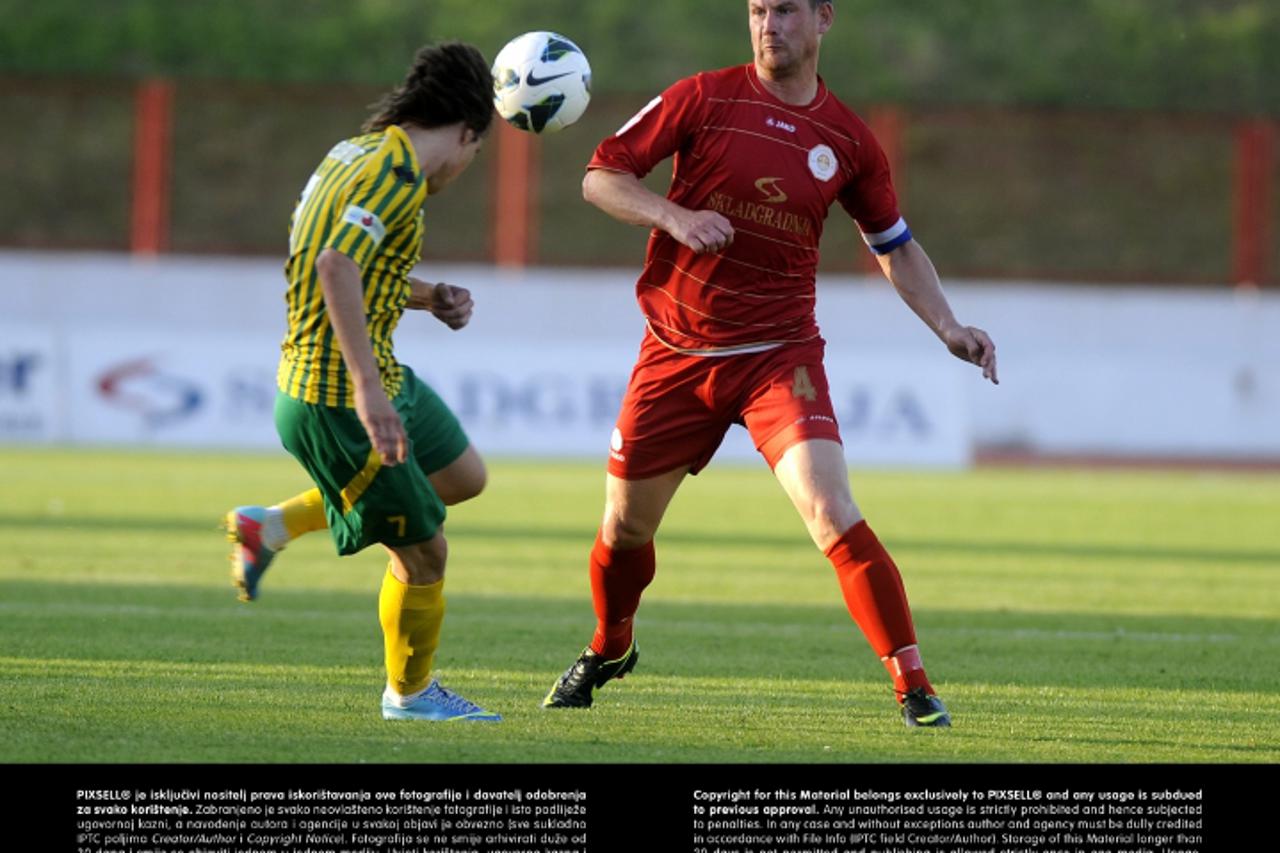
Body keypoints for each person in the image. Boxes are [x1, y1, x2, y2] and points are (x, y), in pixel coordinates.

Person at [542, 0, 997, 727]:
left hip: (778, 356)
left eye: (784, 9)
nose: (767, 24)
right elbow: (601, 176)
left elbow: (895, 243)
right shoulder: (703, 96)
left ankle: (914, 685)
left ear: (823, 19)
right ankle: (610, 643)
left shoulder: (847, 138)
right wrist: (674, 217)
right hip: (676, 352)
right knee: (625, 529)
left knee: (830, 510)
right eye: (756, 10)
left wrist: (947, 324)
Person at [223, 42, 501, 723]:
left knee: (462, 475)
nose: (468, 168)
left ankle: (274, 524)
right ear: (467, 133)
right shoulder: (395, 177)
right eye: (477, 153)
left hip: (372, 368)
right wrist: (368, 392)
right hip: (335, 397)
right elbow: (335, 266)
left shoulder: (360, 153)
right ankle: (408, 695)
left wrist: (430, 295)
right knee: (426, 552)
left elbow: (354, 264)